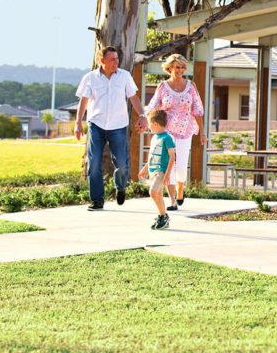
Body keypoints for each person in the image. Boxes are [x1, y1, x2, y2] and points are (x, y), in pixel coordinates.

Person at [75, 45, 147, 211]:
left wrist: (142, 116)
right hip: (96, 124)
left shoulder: (124, 76)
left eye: (117, 59)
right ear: (102, 61)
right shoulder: (90, 78)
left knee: (121, 163)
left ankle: (120, 187)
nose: (116, 62)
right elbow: (84, 101)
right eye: (112, 59)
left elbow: (133, 98)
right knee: (93, 164)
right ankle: (97, 200)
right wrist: (78, 123)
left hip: (118, 125)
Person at [145, 54, 206, 210]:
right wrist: (149, 123)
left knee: (181, 166)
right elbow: (153, 107)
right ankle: (172, 200)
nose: (180, 70)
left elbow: (198, 110)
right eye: (177, 67)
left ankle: (180, 189)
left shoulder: (191, 86)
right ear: (170, 67)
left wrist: (202, 132)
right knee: (168, 165)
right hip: (168, 130)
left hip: (186, 130)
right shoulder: (163, 87)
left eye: (182, 67)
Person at [138, 110, 176, 230]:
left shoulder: (167, 138)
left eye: (149, 123)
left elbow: (172, 157)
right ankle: (162, 216)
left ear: (155, 124)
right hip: (152, 171)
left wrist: (167, 174)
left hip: (161, 171)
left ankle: (164, 216)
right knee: (157, 193)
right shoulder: (154, 137)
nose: (148, 126)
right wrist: (145, 168)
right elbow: (152, 155)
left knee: (153, 192)